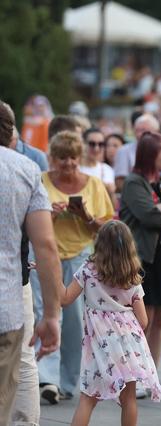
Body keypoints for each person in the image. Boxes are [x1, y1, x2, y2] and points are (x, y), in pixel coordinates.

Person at [34, 131, 114, 404]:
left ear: (80, 158)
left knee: (74, 323)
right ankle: (47, 379)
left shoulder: (93, 184)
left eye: (72, 157)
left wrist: (86, 216)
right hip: (46, 256)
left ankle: (70, 381)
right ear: (52, 158)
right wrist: (49, 214)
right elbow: (27, 219)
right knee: (44, 314)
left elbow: (108, 225)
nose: (67, 163)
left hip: (80, 256)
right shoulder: (41, 181)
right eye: (61, 158)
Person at [61, 221, 161, 426]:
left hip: (99, 346)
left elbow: (64, 299)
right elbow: (143, 321)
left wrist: (51, 272)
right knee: (129, 399)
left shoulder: (88, 270)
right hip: (128, 346)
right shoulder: (133, 277)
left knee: (88, 399)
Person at [0, 100, 62, 425]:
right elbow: (46, 245)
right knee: (19, 369)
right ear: (12, 135)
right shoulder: (24, 168)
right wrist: (52, 314)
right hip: (7, 301)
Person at [119, 132, 161, 393]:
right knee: (144, 318)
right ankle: (135, 377)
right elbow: (148, 217)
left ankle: (151, 377)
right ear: (151, 154)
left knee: (160, 316)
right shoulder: (134, 183)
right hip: (143, 258)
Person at [114, 114, 160, 192]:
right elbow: (119, 182)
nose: (139, 134)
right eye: (137, 130)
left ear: (156, 132)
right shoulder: (124, 151)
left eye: (143, 130)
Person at [80, 128, 116, 199]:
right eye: (92, 144)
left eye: (100, 144)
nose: (96, 148)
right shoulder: (75, 168)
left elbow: (112, 206)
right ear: (83, 144)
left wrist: (111, 193)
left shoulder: (108, 170)